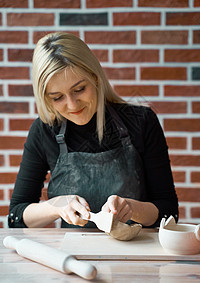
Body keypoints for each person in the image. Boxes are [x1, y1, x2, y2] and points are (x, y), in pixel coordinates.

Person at [8, 32, 179, 229]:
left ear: (96, 78)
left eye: (79, 89)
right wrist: (56, 206)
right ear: (46, 98)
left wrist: (133, 208)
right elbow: (16, 217)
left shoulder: (141, 122)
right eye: (57, 97)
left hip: (136, 252)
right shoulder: (44, 131)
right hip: (73, 254)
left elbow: (169, 211)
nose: (72, 105)